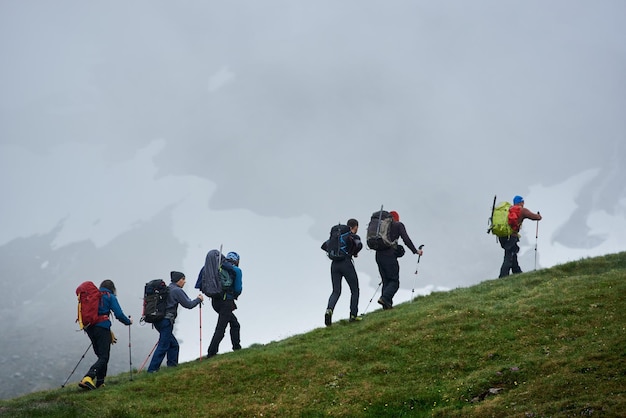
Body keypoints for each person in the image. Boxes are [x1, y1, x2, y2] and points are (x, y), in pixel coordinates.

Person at [79, 279, 132, 390]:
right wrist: (128, 322)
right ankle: (88, 377)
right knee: (104, 356)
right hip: (102, 327)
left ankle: (100, 383)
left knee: (101, 356)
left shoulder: (94, 296)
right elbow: (118, 314)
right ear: (112, 288)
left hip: (89, 328)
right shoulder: (109, 296)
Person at [147, 271, 203, 372]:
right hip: (166, 321)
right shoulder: (176, 290)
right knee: (163, 346)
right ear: (178, 280)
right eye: (183, 279)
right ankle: (152, 370)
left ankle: (172, 368)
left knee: (173, 345)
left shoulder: (167, 289)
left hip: (158, 321)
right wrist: (198, 299)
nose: (184, 282)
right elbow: (188, 304)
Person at [375, 211, 423, 310]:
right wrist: (415, 251)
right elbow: (406, 239)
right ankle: (384, 298)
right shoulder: (398, 225)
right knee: (394, 282)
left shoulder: (381, 226)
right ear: (396, 218)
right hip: (389, 256)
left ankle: (387, 306)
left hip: (379, 256)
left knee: (386, 281)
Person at [321, 218, 363, 325]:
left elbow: (324, 245)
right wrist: (353, 252)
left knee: (336, 291)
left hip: (334, 264)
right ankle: (353, 315)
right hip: (346, 263)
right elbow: (359, 245)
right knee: (355, 289)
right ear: (355, 227)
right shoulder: (351, 235)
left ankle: (329, 310)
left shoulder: (336, 236)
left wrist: (335, 253)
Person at [206, 251, 243, 358]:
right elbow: (238, 289)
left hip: (215, 301)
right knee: (221, 328)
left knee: (235, 324)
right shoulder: (236, 270)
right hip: (226, 302)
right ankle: (211, 352)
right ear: (237, 261)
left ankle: (237, 347)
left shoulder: (215, 268)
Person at [498, 195, 542, 278]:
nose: (524, 203)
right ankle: (503, 276)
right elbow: (534, 217)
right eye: (523, 202)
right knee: (509, 255)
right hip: (512, 236)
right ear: (521, 202)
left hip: (502, 236)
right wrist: (539, 216)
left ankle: (517, 271)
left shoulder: (508, 209)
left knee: (512, 252)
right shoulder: (522, 210)